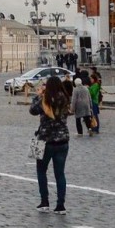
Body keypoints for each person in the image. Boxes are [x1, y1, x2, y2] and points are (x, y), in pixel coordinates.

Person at [30, 75, 71, 213]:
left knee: (41, 171)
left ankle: (44, 202)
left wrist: (38, 95)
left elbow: (32, 110)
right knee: (60, 173)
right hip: (62, 139)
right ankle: (61, 205)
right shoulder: (65, 98)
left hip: (44, 139)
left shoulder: (44, 99)